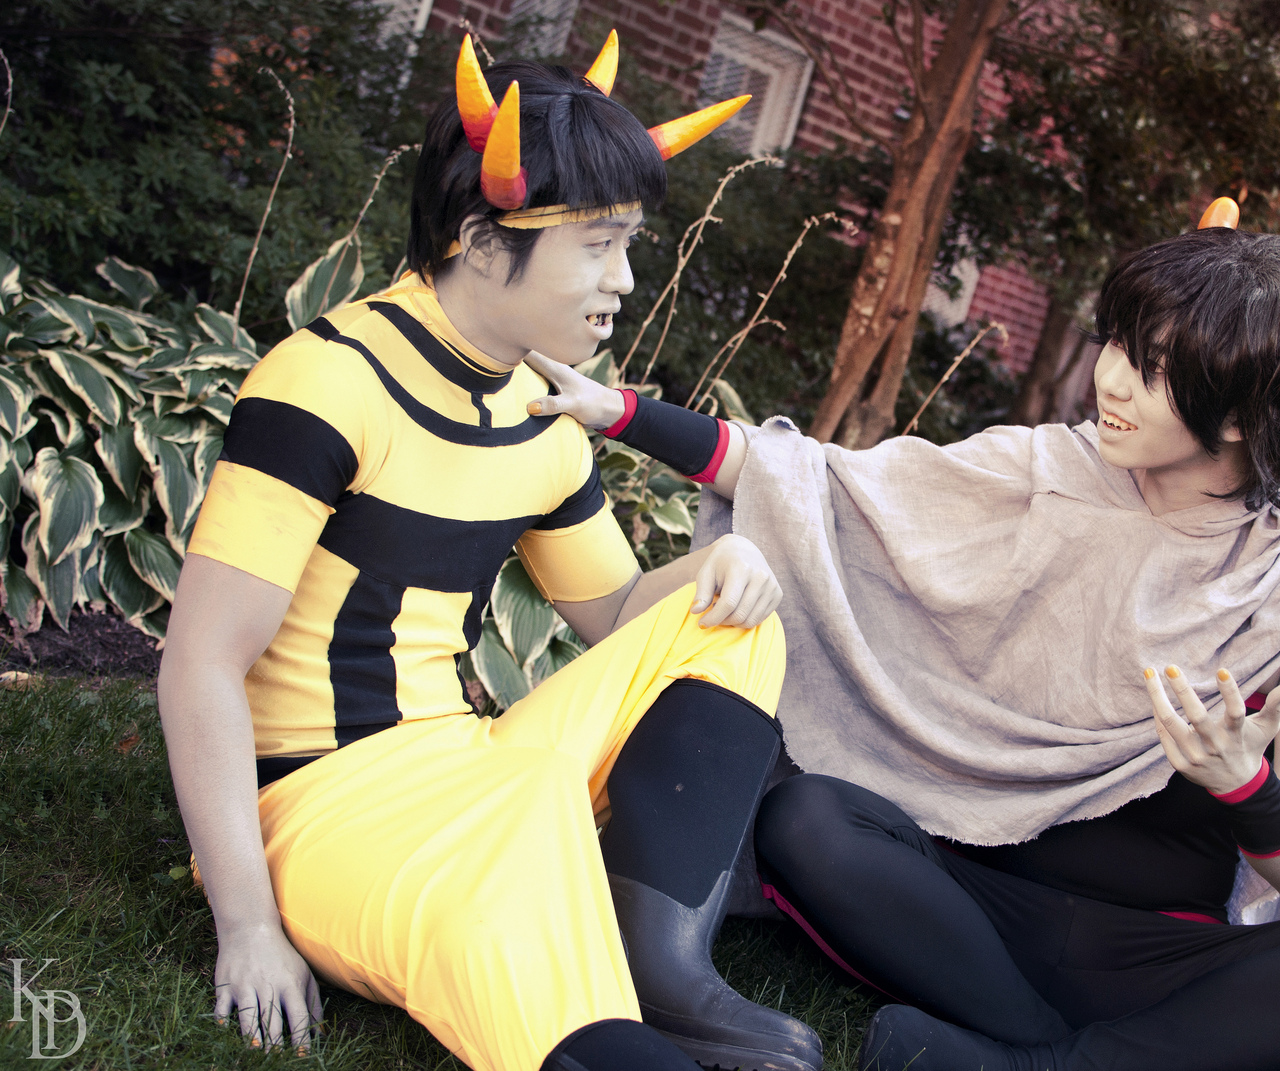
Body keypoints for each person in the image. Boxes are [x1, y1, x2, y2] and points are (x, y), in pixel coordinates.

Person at [528, 202, 1280, 1071]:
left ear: (1246, 410)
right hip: (967, 904)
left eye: (1158, 368)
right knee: (807, 820)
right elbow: (822, 489)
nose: (1113, 380)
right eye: (1120, 343)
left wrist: (1243, 782)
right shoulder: (1046, 469)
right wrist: (622, 413)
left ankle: (1024, 1059)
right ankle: (1054, 1052)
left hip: (1151, 949)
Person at [158, 34, 825, 1071]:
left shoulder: (540, 412)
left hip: (471, 763)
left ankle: (661, 968)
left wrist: (715, 568)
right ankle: (596, 1015)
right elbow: (200, 661)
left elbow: (613, 616)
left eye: (630, 244)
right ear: (479, 239)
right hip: (318, 803)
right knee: (523, 851)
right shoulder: (326, 381)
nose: (625, 279)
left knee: (731, 625)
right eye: (598, 245)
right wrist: (246, 923)